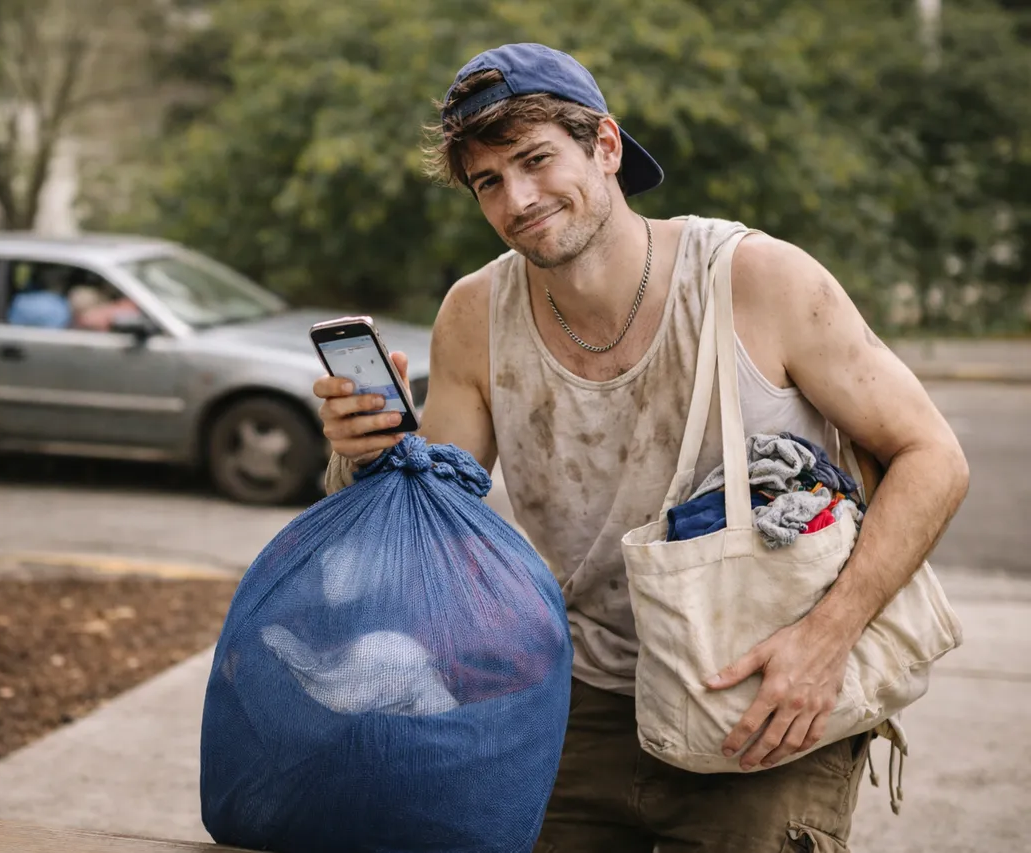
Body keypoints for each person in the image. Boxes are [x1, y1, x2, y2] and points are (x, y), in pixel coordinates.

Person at [313, 43, 969, 852]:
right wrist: (365, 452)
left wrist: (826, 638)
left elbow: (933, 457)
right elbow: (435, 522)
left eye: (536, 160)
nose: (518, 198)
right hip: (579, 695)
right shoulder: (475, 314)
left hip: (761, 686)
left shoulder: (757, 280)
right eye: (489, 181)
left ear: (607, 147)